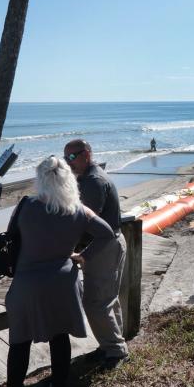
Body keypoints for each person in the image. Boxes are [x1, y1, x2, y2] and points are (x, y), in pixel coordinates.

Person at [3, 156, 116, 387]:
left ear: (40, 179)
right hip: (64, 280)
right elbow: (107, 233)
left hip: (28, 283)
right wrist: (82, 256)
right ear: (70, 180)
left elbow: (11, 237)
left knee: (20, 340)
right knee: (59, 335)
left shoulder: (26, 205)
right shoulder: (78, 209)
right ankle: (58, 386)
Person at [64, 139, 129, 367]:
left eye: (73, 157)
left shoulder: (93, 181)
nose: (68, 162)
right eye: (66, 158)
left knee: (95, 303)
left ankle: (116, 351)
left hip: (104, 246)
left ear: (87, 155)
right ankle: (112, 345)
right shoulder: (91, 176)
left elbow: (85, 222)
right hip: (110, 243)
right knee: (108, 299)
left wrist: (80, 252)